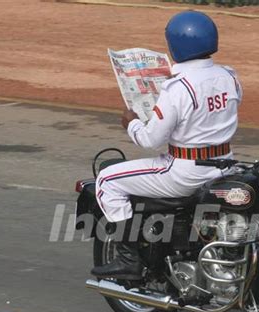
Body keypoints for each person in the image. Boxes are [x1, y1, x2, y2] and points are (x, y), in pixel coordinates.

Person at [91, 10, 242, 280]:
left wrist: (132, 123)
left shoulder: (178, 88)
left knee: (106, 180)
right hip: (225, 167)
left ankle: (129, 258)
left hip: (184, 173)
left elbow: (151, 140)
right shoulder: (230, 77)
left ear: (175, 46)